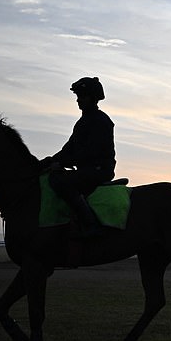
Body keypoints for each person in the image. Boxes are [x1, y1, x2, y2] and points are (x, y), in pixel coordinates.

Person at [41, 76, 116, 237]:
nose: (78, 100)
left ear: (92, 98)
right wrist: (47, 162)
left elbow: (90, 153)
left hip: (99, 170)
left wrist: (62, 164)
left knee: (58, 180)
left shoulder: (101, 121)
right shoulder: (82, 122)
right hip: (88, 168)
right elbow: (68, 149)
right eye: (77, 96)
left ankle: (91, 224)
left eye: (82, 96)